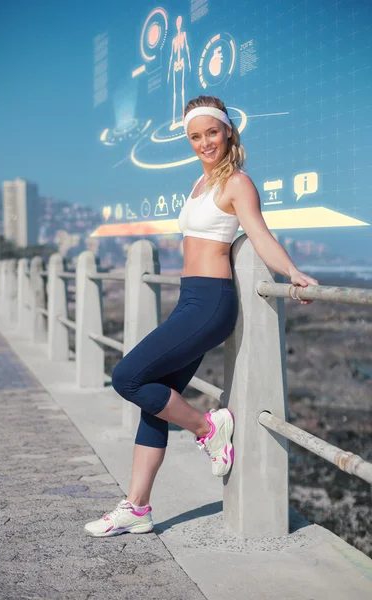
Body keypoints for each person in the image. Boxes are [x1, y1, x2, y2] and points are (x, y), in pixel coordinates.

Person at [84, 95, 318, 538]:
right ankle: (137, 508)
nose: (204, 142)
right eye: (195, 136)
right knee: (155, 402)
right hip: (190, 299)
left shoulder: (238, 184)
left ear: (228, 130)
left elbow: (260, 236)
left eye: (212, 132)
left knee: (127, 378)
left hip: (211, 303)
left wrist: (293, 273)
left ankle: (208, 426)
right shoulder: (200, 183)